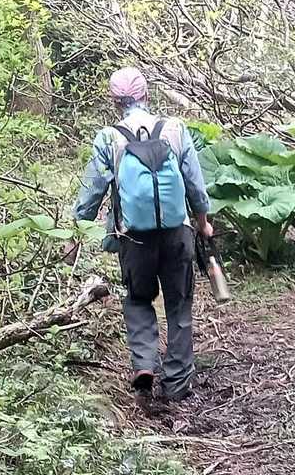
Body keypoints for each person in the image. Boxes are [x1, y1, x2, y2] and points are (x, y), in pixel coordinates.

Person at [74, 67, 214, 408]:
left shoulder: (109, 138)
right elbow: (194, 183)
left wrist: (76, 232)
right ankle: (177, 383)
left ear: (115, 101)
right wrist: (203, 222)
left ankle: (145, 364)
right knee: (179, 303)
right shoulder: (175, 129)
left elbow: (92, 191)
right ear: (146, 95)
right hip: (177, 232)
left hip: (133, 237)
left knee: (138, 299)